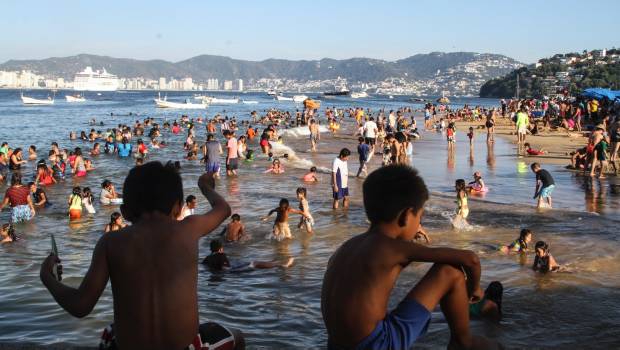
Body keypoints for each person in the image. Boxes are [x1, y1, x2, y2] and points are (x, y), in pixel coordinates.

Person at [40, 162, 244, 349]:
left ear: (125, 212)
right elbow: (223, 209)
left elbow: (80, 305)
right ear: (177, 206)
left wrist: (47, 277)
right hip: (184, 347)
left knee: (112, 333)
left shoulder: (110, 243)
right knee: (237, 337)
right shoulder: (188, 229)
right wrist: (205, 186)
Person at [321, 165, 496, 350]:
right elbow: (471, 259)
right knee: (449, 271)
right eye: (419, 217)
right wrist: (475, 288)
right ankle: (462, 342)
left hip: (336, 344)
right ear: (406, 216)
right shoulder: (392, 248)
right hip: (377, 344)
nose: (419, 224)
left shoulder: (347, 247)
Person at [202, 239, 294, 271]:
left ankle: (273, 263)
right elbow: (225, 269)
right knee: (254, 263)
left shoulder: (207, 258)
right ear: (220, 249)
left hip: (226, 271)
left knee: (249, 263)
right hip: (231, 272)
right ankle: (282, 265)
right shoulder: (221, 255)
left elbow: (204, 266)